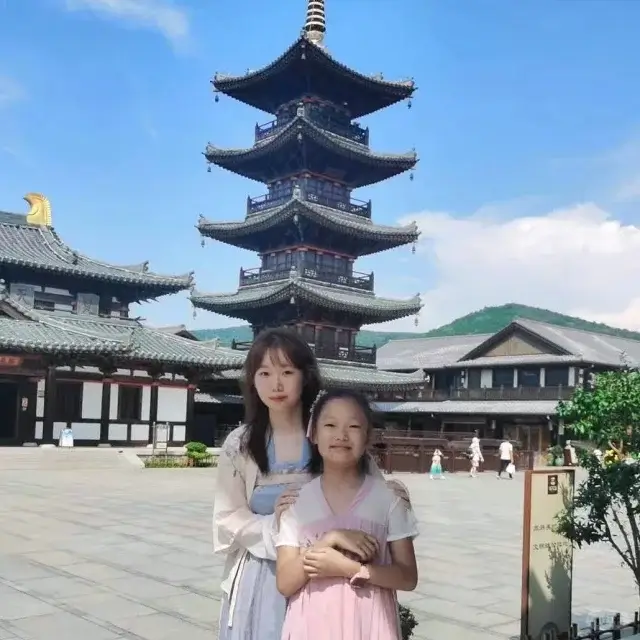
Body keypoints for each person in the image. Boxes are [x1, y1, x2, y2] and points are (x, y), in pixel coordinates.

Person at [213, 328, 410, 640]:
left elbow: (371, 500)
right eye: (264, 373)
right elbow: (227, 517)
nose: (276, 384)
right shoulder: (241, 444)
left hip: (330, 577)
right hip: (262, 577)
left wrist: (394, 498)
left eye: (287, 372)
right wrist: (277, 526)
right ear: (252, 380)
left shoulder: (330, 432)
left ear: (305, 377)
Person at [276, 388, 419, 640]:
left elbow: (408, 577)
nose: (341, 435)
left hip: (368, 625)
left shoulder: (389, 500)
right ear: (314, 434)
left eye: (353, 426)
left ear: (368, 437)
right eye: (330, 425)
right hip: (310, 627)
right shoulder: (296, 502)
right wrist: (329, 540)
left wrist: (350, 568)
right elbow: (285, 583)